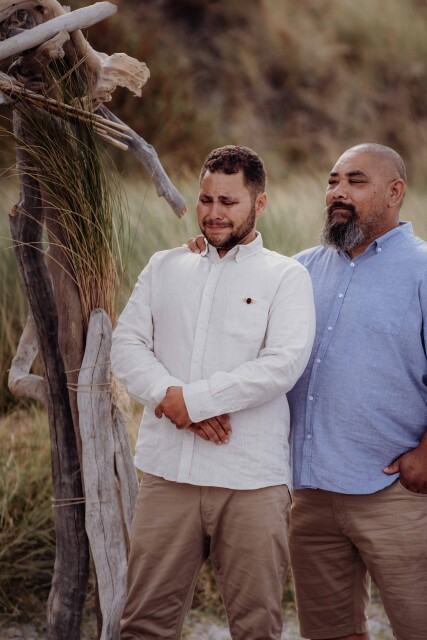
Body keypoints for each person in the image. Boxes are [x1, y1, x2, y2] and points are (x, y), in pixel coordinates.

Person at [188, 143, 427, 640]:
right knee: (329, 632)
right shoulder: (297, 272)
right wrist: (205, 256)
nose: (337, 192)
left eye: (355, 181)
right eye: (333, 181)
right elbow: (231, 321)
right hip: (310, 496)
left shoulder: (423, 270)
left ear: (394, 192)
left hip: (397, 494)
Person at [111, 145, 315, 640]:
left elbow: (282, 365)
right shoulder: (164, 266)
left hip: (251, 480)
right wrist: (173, 400)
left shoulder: (286, 276)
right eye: (206, 199)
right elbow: (127, 345)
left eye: (229, 201)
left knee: (256, 627)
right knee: (143, 624)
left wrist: (194, 403)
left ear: (259, 203)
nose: (214, 212)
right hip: (167, 475)